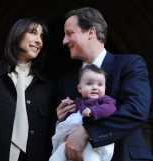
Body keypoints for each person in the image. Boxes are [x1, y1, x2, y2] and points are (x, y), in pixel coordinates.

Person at [56, 7, 153, 161]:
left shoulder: (130, 64)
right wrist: (61, 119)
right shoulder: (66, 81)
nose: (64, 40)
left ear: (91, 33)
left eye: (69, 33)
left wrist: (88, 131)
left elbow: (136, 110)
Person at [0, 18, 55, 161]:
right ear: (17, 34)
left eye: (41, 36)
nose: (39, 41)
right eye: (33, 33)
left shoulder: (47, 87)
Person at [49, 64, 116, 161]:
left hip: (93, 144)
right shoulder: (78, 102)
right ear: (79, 88)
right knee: (55, 158)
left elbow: (109, 109)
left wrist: (93, 111)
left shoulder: (105, 101)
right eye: (89, 84)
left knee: (92, 158)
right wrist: (66, 106)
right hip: (69, 141)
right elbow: (70, 120)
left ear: (105, 88)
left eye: (100, 84)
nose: (95, 87)